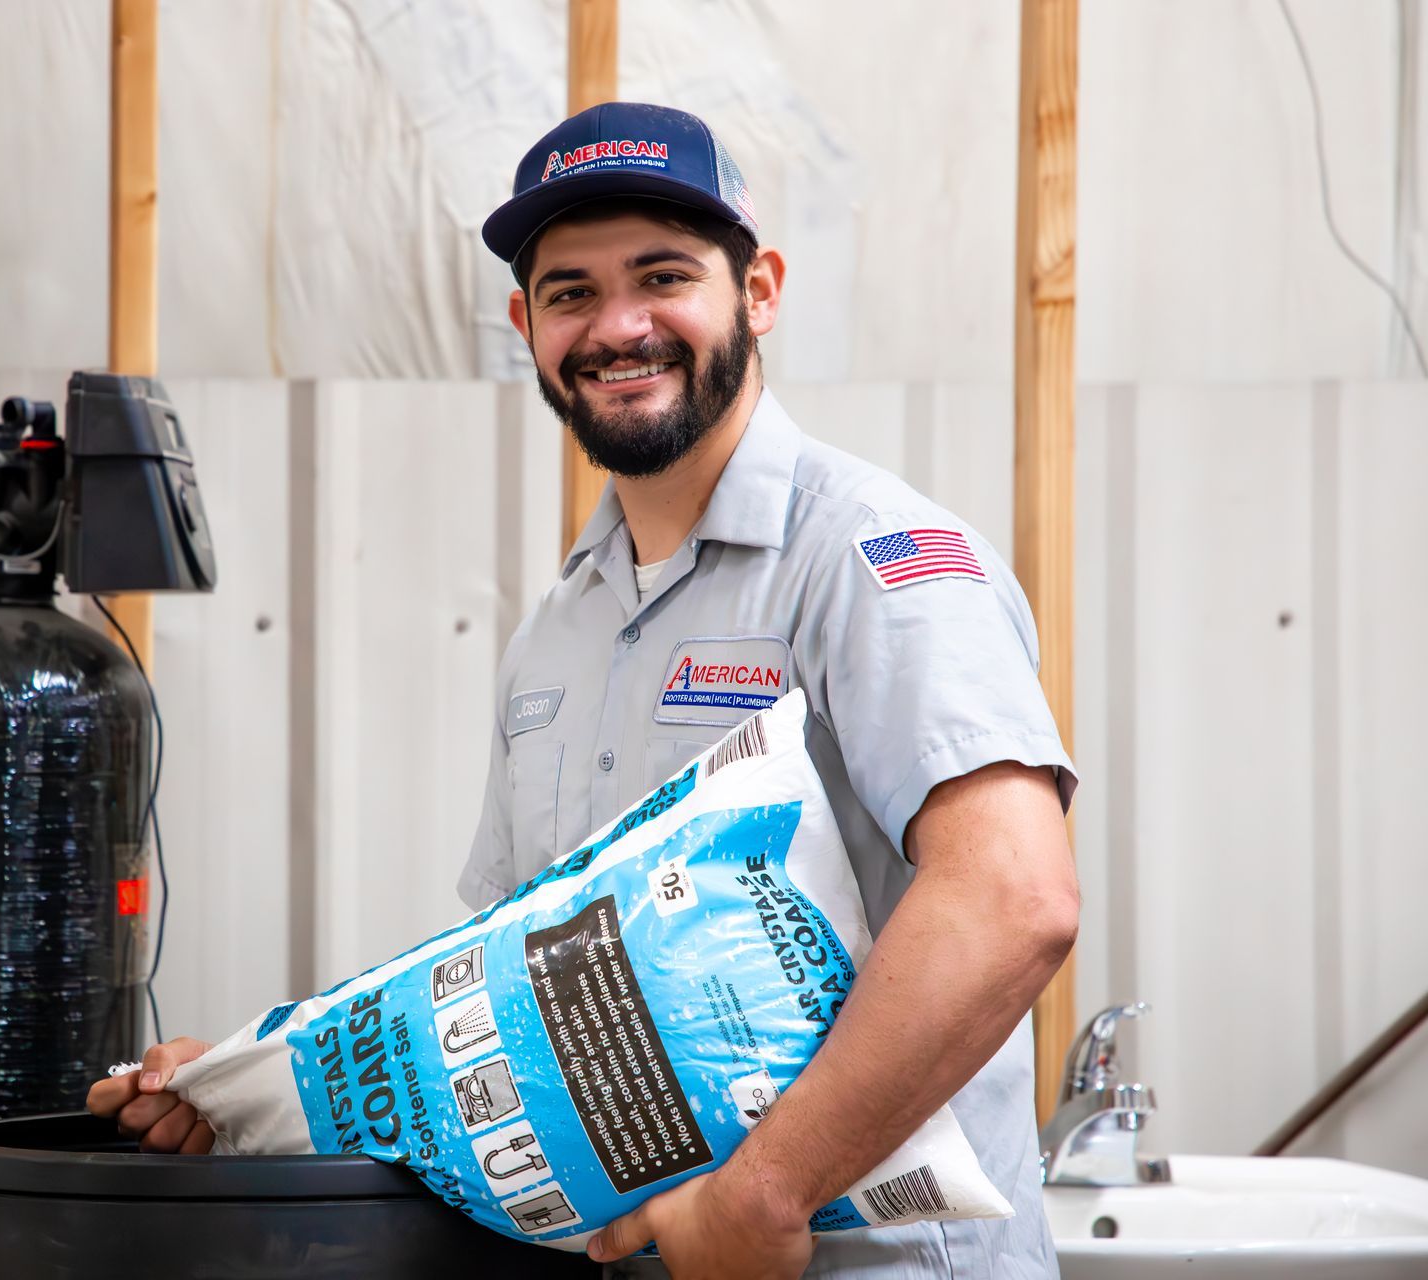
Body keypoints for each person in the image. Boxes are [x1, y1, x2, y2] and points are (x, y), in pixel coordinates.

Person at [89, 102, 1080, 1280]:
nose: (619, 327)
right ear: (526, 323)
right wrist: (259, 1086)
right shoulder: (558, 634)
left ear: (758, 290)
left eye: (663, 276)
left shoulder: (872, 557)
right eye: (570, 293)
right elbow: (504, 1000)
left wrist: (766, 1193)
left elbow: (1013, 894)